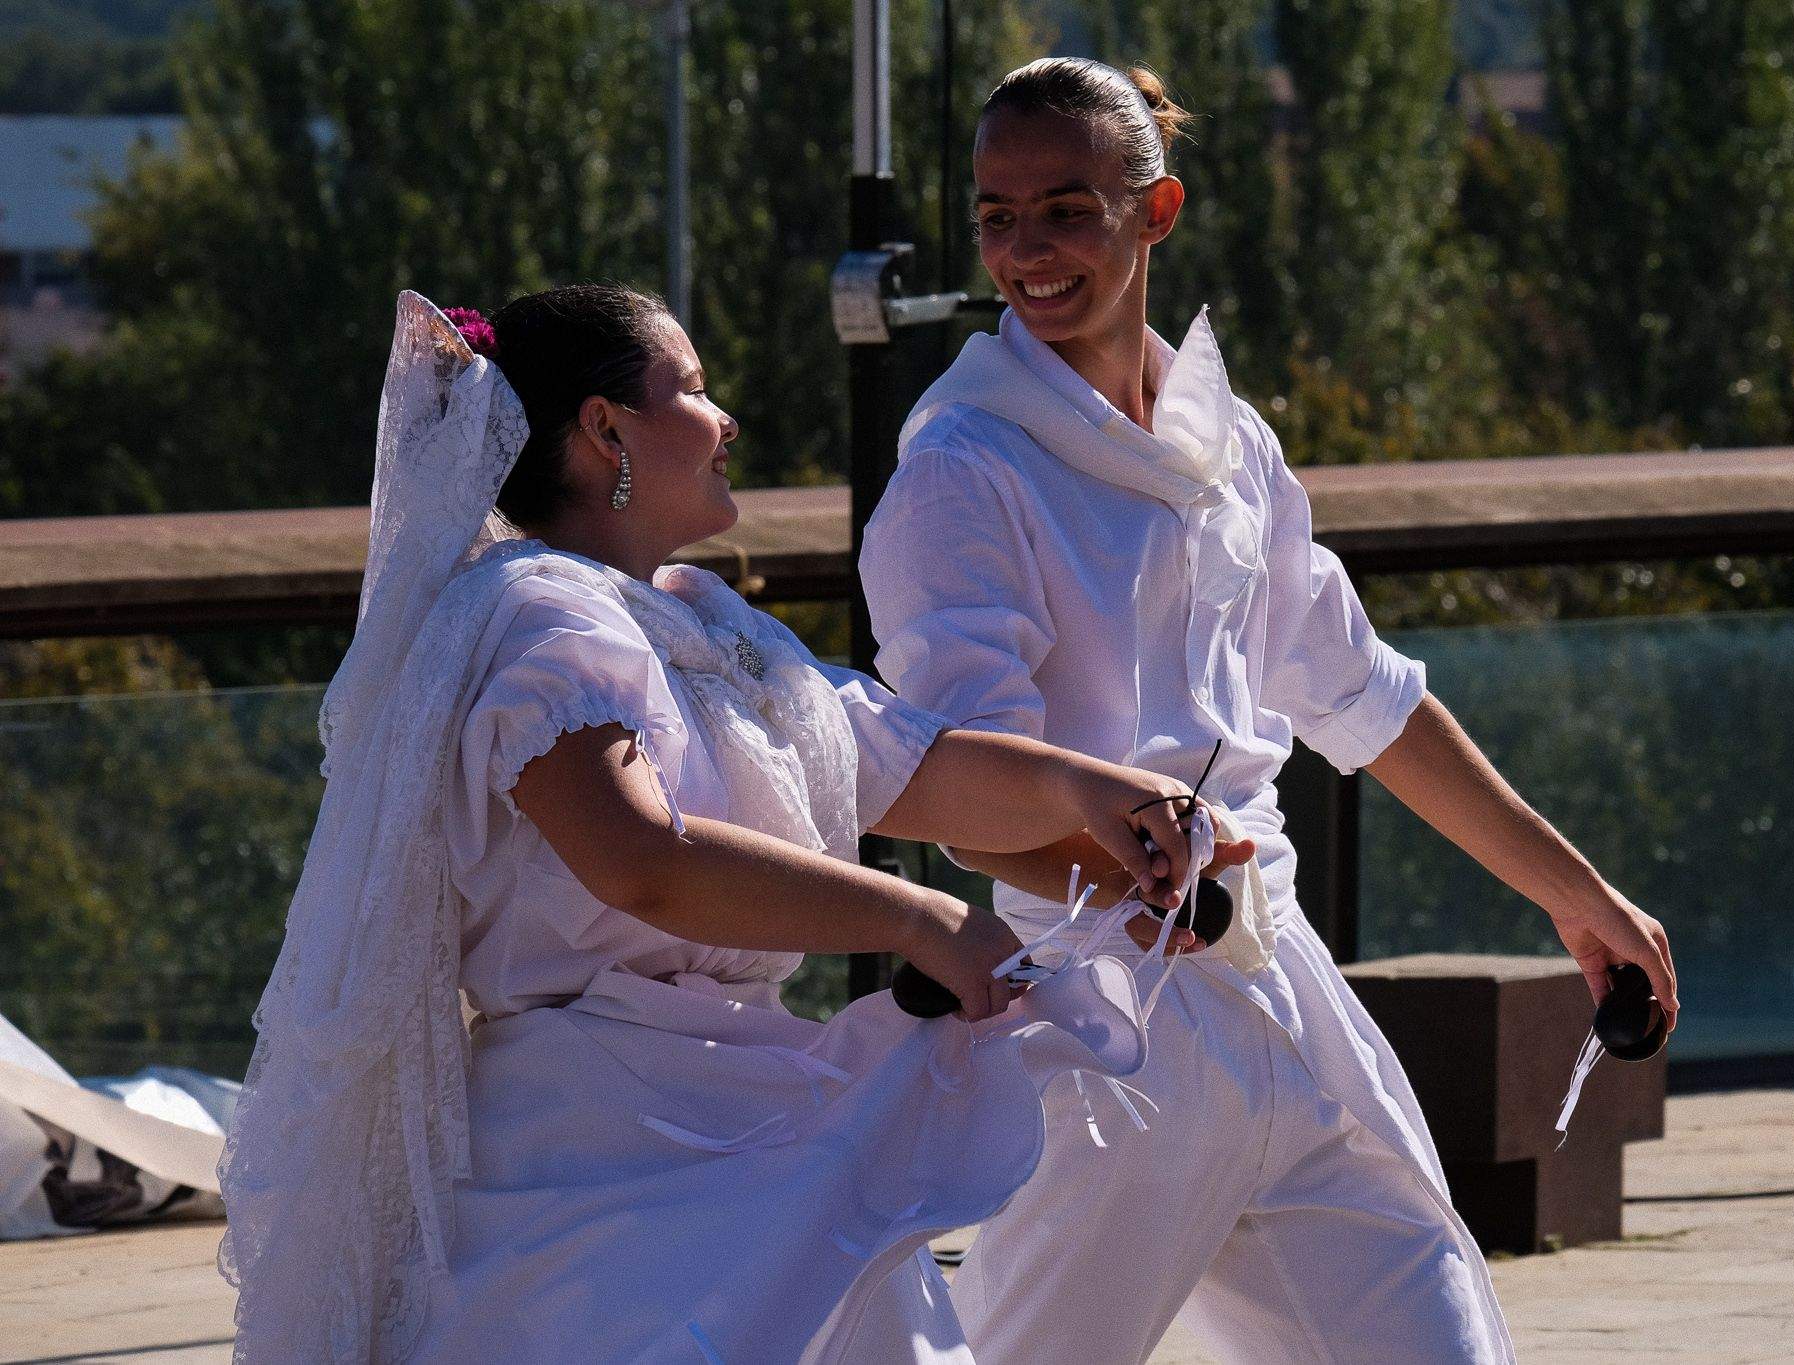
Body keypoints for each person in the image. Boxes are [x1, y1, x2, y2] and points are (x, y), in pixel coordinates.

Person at [860, 58, 1681, 1364]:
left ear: (1156, 211)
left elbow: (1366, 695)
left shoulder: (1228, 438)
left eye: (1066, 210)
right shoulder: (961, 467)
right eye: (997, 217)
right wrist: (1152, 886)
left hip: (1283, 992)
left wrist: (1575, 896)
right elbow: (960, 796)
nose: (1026, 250)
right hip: (1101, 1022)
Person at [218, 286, 1211, 1363]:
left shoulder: (702, 618)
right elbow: (641, 860)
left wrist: (1098, 793)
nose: (725, 418)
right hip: (596, 1149)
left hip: (746, 1114)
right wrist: (920, 919)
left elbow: (911, 763)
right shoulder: (536, 616)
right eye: (691, 389)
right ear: (606, 431)